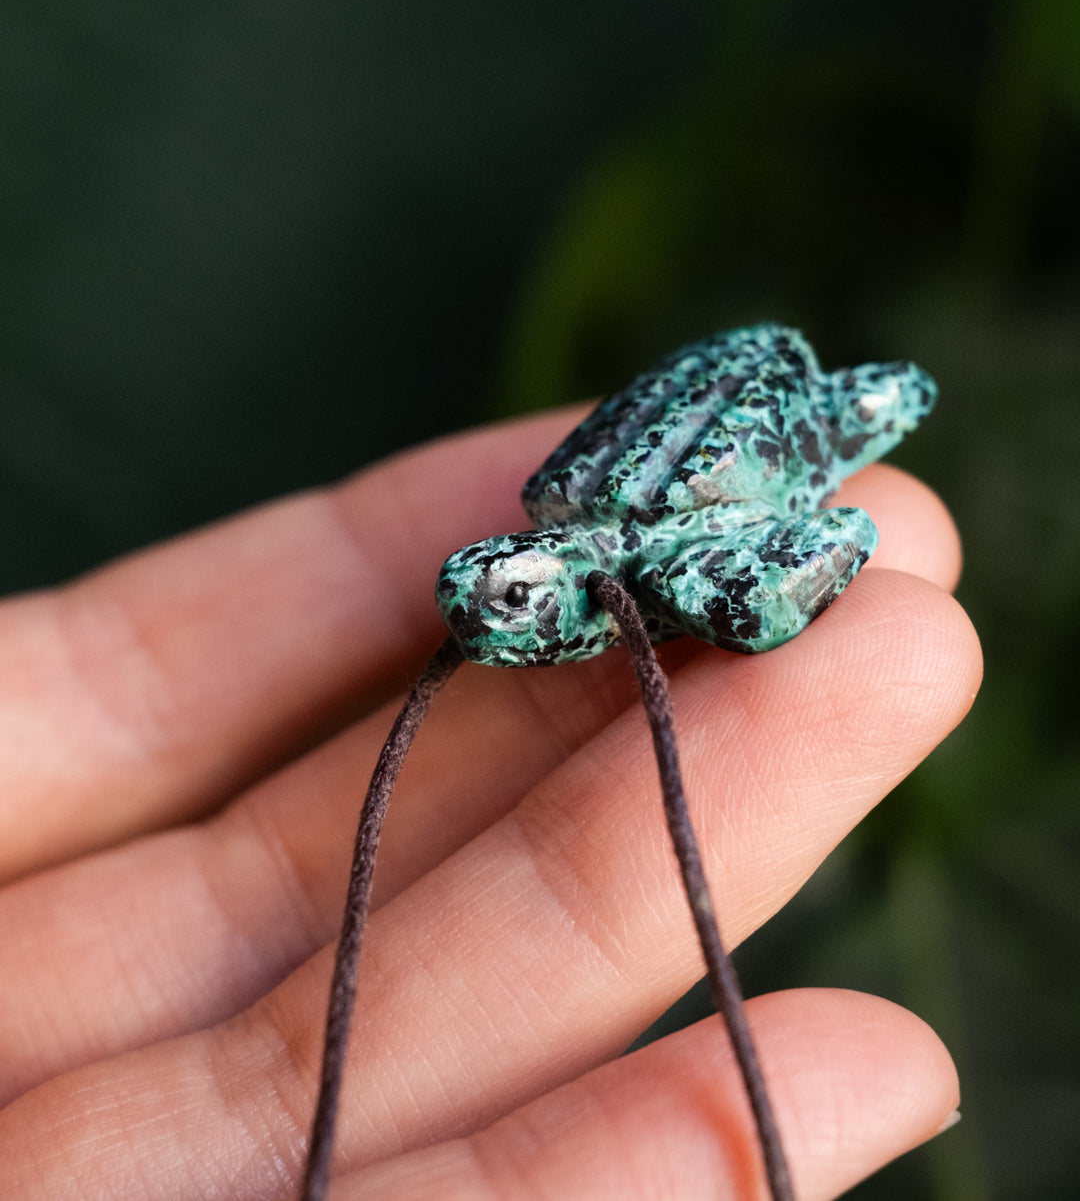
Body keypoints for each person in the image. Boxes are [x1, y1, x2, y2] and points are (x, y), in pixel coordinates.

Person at [0, 406, 978, 1199]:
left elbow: (830, 529)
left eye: (517, 598)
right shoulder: (556, 536)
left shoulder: (679, 576)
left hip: (773, 441)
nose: (493, 626)